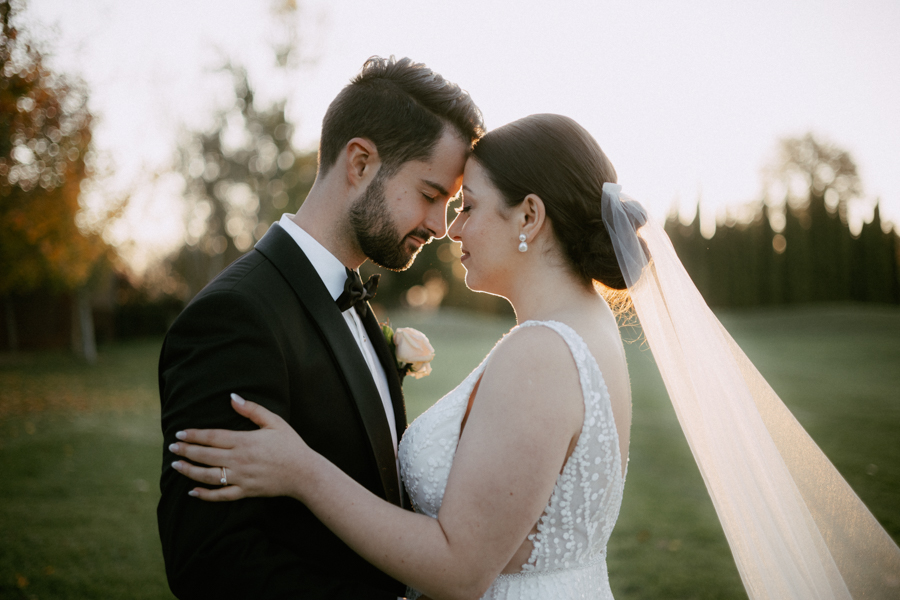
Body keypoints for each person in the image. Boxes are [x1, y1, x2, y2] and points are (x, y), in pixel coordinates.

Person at [169, 114, 900, 599]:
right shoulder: (576, 331)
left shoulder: (544, 354)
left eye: (468, 206)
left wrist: (301, 471)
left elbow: (460, 567)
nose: (451, 229)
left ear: (529, 215)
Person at [157, 55, 484, 599]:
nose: (438, 226)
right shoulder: (234, 318)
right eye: (430, 196)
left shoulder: (353, 298)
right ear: (360, 163)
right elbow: (210, 561)